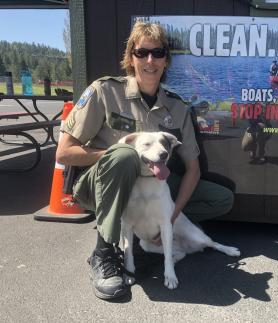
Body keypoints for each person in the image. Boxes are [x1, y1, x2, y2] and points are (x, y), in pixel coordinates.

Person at [56, 22, 234, 300]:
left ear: (166, 59)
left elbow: (193, 168)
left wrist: (171, 218)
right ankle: (104, 253)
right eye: (142, 53)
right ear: (131, 58)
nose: (150, 60)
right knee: (124, 156)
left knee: (221, 199)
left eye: (158, 53)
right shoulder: (104, 91)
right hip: (100, 186)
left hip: (154, 185)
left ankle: (150, 232)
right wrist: (120, 155)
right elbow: (64, 152)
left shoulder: (177, 106)